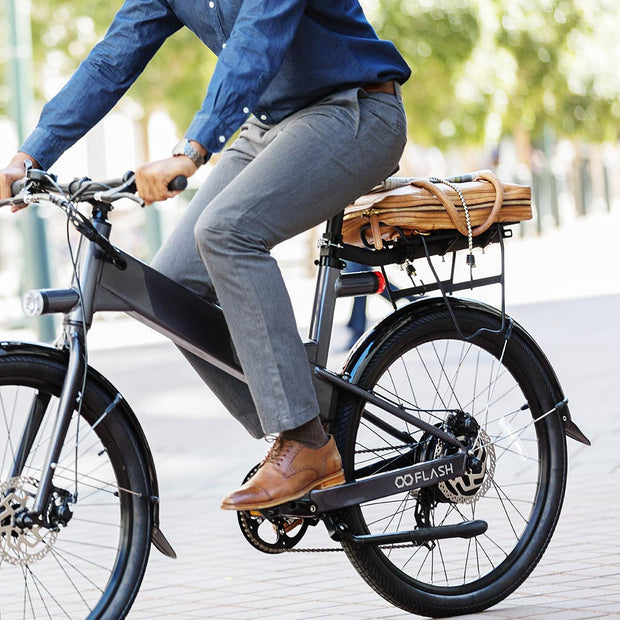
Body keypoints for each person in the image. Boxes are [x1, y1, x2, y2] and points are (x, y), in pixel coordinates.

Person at [0, 0, 410, 511]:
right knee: (171, 286)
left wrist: (193, 147)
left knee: (227, 231)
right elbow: (111, 61)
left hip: (356, 110)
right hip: (270, 126)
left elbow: (257, 40)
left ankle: (304, 440)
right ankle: (303, 429)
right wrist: (28, 157)